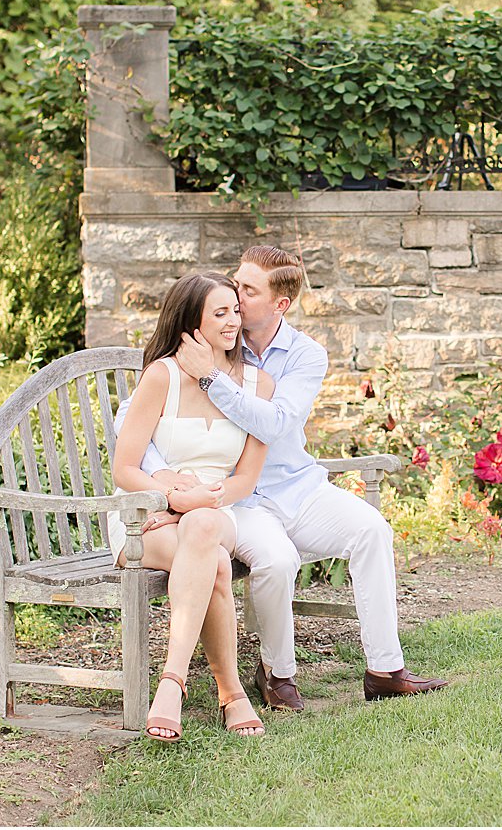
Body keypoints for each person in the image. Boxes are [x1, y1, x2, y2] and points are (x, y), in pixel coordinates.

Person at [116, 245, 448, 712]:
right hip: (237, 501)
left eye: (246, 292)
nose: (235, 297)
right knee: (276, 560)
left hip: (291, 485)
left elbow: (273, 425)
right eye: (234, 286)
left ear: (280, 305)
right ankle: (276, 675)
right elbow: (130, 419)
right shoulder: (198, 345)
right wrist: (168, 483)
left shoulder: (302, 357)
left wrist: (212, 378)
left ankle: (385, 670)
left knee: (373, 529)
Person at [109, 271, 270, 742]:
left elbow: (245, 478)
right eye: (220, 313)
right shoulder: (162, 376)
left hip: (217, 511)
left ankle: (172, 681)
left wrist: (202, 501)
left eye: (235, 311)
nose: (233, 322)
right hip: (147, 521)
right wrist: (175, 499)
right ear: (190, 321)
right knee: (215, 559)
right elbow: (125, 468)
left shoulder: (258, 385)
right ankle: (231, 693)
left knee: (204, 526)